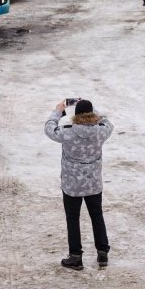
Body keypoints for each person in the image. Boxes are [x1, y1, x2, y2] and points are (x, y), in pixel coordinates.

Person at [45, 99, 114, 270]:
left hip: (72, 185)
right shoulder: (101, 131)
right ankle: (102, 253)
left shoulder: (67, 133)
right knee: (97, 215)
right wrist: (94, 111)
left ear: (75, 115)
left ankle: (75, 257)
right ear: (92, 115)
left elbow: (49, 128)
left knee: (73, 219)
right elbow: (107, 121)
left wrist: (58, 111)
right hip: (93, 184)